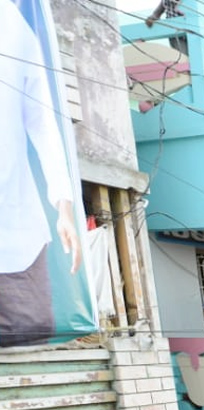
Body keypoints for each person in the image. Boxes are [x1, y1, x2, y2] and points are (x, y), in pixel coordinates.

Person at [0, 0, 83, 348]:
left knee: (29, 333)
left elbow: (42, 120)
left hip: (14, 232)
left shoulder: (13, 23)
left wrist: (64, 207)